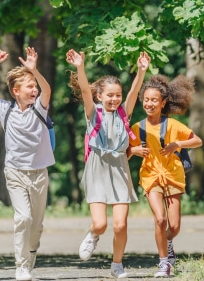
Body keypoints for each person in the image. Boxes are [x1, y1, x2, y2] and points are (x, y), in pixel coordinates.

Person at [66, 49, 150, 279]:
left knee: (120, 225)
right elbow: (84, 88)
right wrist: (80, 67)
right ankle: (93, 235)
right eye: (110, 95)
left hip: (120, 168)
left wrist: (141, 71)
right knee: (101, 224)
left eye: (117, 95)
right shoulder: (93, 112)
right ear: (100, 96)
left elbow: (134, 91)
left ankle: (117, 264)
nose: (114, 99)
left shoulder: (124, 112)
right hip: (97, 166)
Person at [0, 47, 55, 281]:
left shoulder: (40, 108)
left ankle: (30, 256)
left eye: (35, 86)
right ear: (15, 91)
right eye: (29, 86)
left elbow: (48, 89)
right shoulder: (5, 110)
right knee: (23, 218)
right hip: (15, 173)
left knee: (37, 226)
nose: (34, 90)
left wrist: (34, 70)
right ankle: (21, 266)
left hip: (39, 173)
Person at [128, 74, 202, 278]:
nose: (149, 104)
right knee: (160, 219)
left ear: (163, 103)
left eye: (154, 100)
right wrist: (133, 151)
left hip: (173, 175)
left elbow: (197, 141)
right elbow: (124, 152)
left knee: (175, 226)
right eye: (146, 100)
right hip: (151, 177)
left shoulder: (173, 125)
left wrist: (178, 144)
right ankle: (163, 264)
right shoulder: (137, 128)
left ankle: (168, 242)